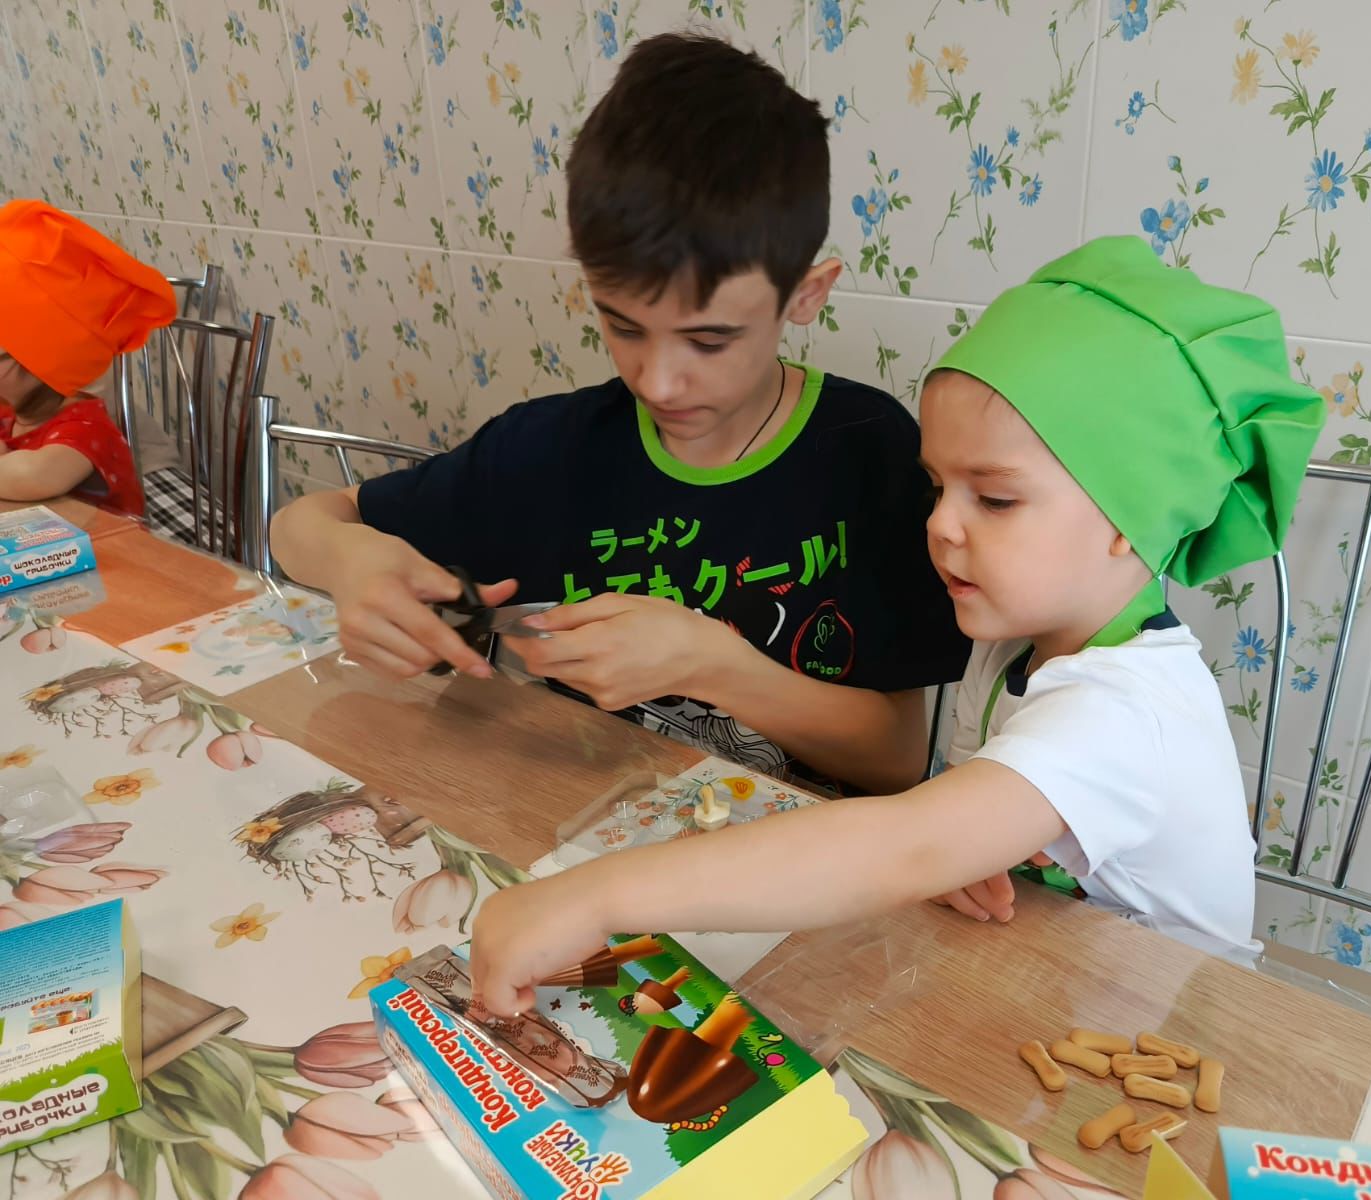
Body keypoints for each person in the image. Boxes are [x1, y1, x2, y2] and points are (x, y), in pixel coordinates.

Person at [469, 236, 1327, 1015]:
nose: (942, 525)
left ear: (1130, 521)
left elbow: (902, 846)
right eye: (938, 487)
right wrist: (975, 844)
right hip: (1049, 985)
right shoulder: (1012, 639)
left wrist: (594, 896)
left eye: (994, 499)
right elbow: (942, 835)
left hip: (1174, 1035)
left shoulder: (1126, 713)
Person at [270, 33, 968, 794]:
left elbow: (898, 758)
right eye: (624, 326)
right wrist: (349, 560)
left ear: (805, 294)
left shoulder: (870, 453)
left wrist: (712, 664)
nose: (658, 382)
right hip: (575, 822)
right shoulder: (551, 450)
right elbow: (301, 525)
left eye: (709, 339)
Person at [0, 199, 175, 514]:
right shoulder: (12, 413)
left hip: (115, 546)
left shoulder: (86, 427)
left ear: (39, 364)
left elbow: (35, 476)